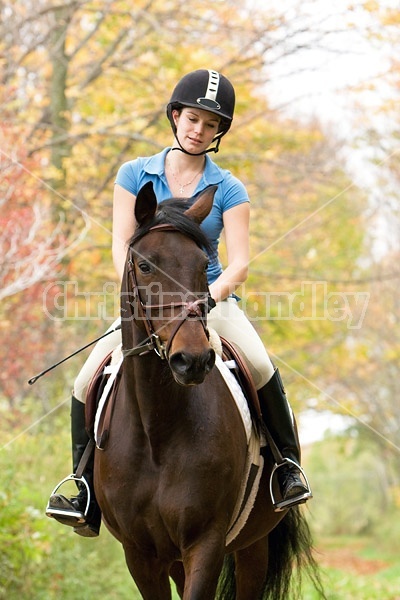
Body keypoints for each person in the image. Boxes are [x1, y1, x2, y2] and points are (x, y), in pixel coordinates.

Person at [46, 69, 312, 537]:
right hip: (146, 302)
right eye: (193, 119)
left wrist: (204, 300)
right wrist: (143, 301)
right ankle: (81, 487)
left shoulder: (229, 188)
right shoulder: (134, 174)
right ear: (176, 116)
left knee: (261, 364)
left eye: (211, 126)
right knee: (87, 376)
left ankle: (286, 469)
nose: (199, 130)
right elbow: (121, 248)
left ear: (218, 134)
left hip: (209, 299)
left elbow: (239, 264)